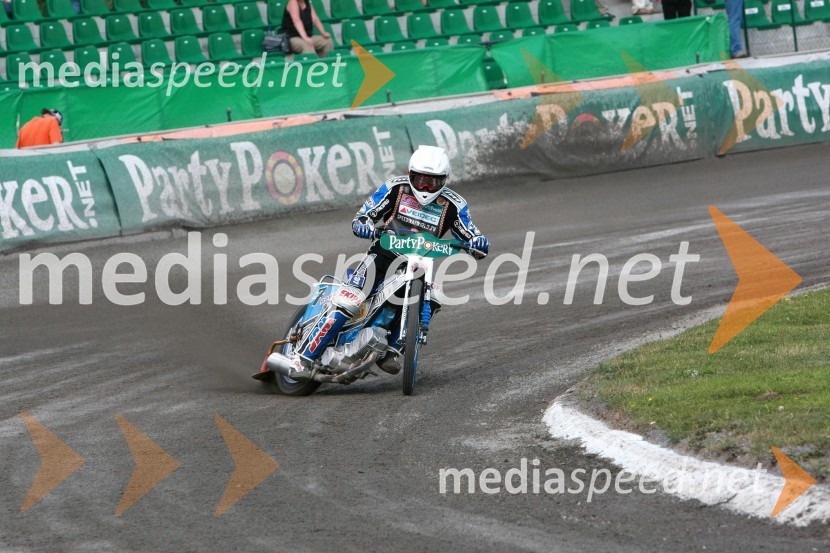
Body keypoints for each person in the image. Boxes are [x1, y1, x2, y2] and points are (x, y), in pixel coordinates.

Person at [287, 146, 490, 380]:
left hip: (421, 263)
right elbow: (366, 213)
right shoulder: (395, 188)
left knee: (435, 296)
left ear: (444, 180)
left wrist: (478, 242)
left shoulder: (454, 204)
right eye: (420, 180)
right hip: (382, 256)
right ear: (410, 174)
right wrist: (363, 223)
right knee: (350, 300)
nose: (425, 187)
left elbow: (470, 232)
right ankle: (303, 358)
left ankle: (393, 350)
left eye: (432, 182)